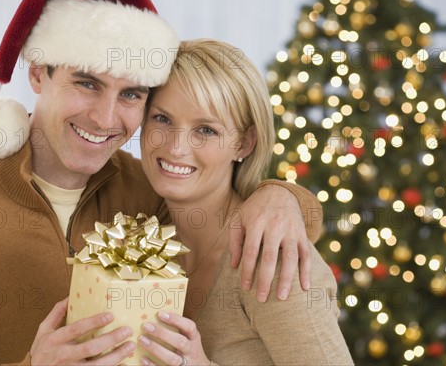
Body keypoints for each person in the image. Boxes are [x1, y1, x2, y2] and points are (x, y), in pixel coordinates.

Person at [0, 0, 323, 364]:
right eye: (87, 83)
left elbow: (231, 213)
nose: (106, 119)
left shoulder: (146, 189)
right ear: (37, 74)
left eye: (131, 95)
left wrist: (282, 196)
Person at [136, 39, 353, 365]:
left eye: (206, 130)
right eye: (162, 119)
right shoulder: (142, 236)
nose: (176, 147)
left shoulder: (275, 260)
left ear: (245, 143)